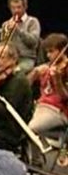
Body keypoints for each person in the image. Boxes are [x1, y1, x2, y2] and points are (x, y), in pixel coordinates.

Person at [27, 33, 68, 165]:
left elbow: (65, 97)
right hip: (41, 106)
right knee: (19, 124)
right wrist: (34, 74)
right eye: (47, 52)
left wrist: (57, 81)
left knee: (31, 129)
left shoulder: (65, 69)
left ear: (63, 50)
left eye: (51, 52)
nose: (49, 56)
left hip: (59, 110)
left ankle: (36, 162)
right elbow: (25, 86)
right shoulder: (47, 66)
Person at [0, 42, 33, 153]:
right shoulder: (0, 75)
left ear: (13, 59)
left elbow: (7, 111)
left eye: (1, 58)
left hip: (9, 129)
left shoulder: (19, 80)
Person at [0, 0, 41, 73]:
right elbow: (3, 44)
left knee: (16, 71)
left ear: (25, 7)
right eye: (13, 8)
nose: (16, 10)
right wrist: (6, 33)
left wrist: (18, 30)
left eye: (19, 7)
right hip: (8, 59)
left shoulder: (32, 21)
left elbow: (33, 42)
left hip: (25, 58)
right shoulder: (6, 24)